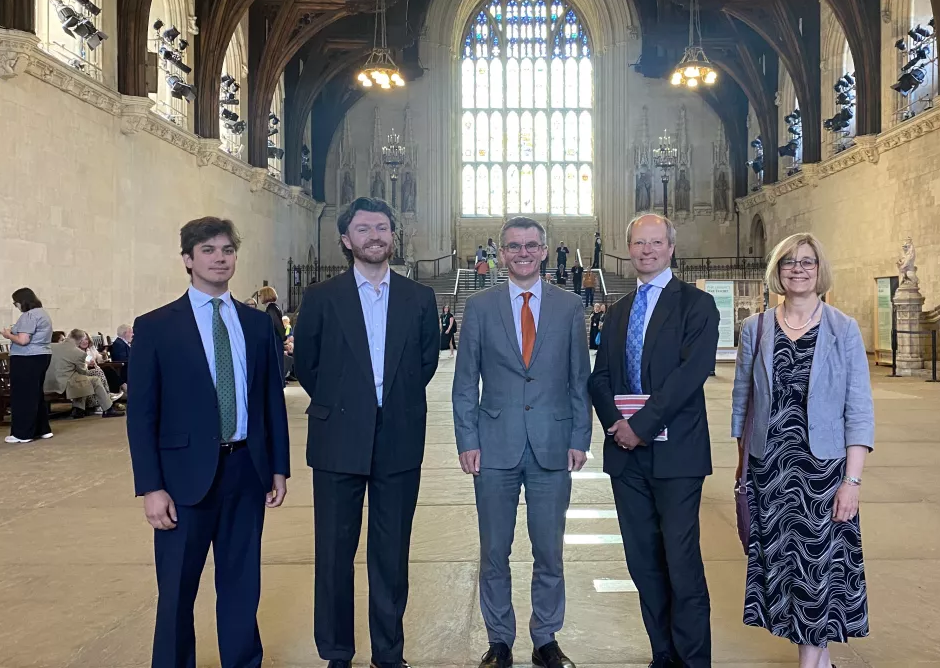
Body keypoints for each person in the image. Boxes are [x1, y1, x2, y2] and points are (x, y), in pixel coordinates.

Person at [126, 216, 290, 668]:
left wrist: (278, 465)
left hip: (245, 470)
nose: (220, 259)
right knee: (177, 589)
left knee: (241, 584)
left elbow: (269, 400)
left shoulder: (257, 325)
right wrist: (151, 487)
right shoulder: (157, 326)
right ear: (187, 259)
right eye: (209, 251)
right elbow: (141, 415)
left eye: (227, 251)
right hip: (182, 479)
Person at [294, 197, 440, 668]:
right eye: (363, 228)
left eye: (382, 227)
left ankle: (388, 653)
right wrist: (349, 408)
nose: (374, 235)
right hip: (338, 438)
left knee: (391, 554)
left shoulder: (418, 298)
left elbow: (425, 363)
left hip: (398, 439)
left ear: (392, 235)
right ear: (346, 239)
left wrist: (386, 407)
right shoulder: (320, 298)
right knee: (334, 554)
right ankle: (337, 651)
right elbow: (309, 367)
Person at [730, 233, 873, 668]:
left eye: (807, 261)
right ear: (778, 269)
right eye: (789, 261)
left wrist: (852, 480)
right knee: (790, 573)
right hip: (770, 471)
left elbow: (859, 409)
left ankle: (809, 665)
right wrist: (743, 469)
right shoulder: (755, 329)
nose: (798, 268)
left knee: (815, 572)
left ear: (819, 270)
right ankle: (821, 660)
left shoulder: (843, 328)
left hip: (823, 473)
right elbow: (742, 404)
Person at [453, 216, 591, 668]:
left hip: (552, 442)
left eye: (532, 245)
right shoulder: (479, 306)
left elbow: (578, 379)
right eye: (514, 246)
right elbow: (463, 383)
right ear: (501, 253)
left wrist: (579, 436)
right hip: (494, 444)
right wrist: (467, 438)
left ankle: (546, 637)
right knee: (495, 548)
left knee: (548, 548)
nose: (523, 252)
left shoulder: (570, 307)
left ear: (546, 251)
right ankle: (499, 640)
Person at [587, 214, 720, 668]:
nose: (647, 250)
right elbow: (599, 376)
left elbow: (689, 377)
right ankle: (662, 653)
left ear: (670, 248)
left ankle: (693, 659)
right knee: (643, 562)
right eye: (639, 243)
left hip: (677, 455)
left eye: (655, 242)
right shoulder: (619, 309)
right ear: (629, 248)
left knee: (681, 564)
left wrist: (639, 424)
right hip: (627, 458)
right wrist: (617, 426)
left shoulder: (696, 306)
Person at [0, 288, 53, 444]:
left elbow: (23, 340)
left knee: (23, 396)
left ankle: (23, 433)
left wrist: (8, 335)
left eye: (15, 302)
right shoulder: (42, 313)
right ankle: (43, 429)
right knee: (36, 394)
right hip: (42, 355)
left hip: (26, 357)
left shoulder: (29, 315)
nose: (15, 305)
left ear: (22, 301)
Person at [46, 330, 121, 419]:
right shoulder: (78, 353)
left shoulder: (51, 346)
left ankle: (78, 409)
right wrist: (86, 364)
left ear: (69, 336)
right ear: (81, 340)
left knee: (81, 380)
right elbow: (83, 372)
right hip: (63, 384)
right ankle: (108, 409)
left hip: (46, 383)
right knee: (93, 380)